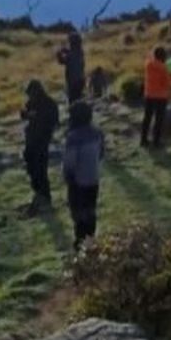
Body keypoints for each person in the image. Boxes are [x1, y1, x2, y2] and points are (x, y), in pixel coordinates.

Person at [62, 102, 104, 250]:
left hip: (77, 182)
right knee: (91, 211)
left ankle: (80, 244)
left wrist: (67, 177)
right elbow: (101, 154)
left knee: (78, 214)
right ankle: (90, 241)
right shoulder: (98, 133)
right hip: (93, 178)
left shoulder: (73, 137)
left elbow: (69, 163)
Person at [21, 80, 59, 215]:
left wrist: (37, 119)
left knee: (40, 169)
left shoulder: (49, 104)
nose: (29, 97)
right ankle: (38, 194)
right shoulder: (32, 102)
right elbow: (24, 114)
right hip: (31, 139)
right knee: (31, 167)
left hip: (42, 140)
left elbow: (54, 121)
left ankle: (44, 197)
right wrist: (27, 115)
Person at [142, 47, 171, 148]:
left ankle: (143, 140)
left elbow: (149, 57)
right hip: (161, 96)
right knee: (159, 120)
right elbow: (167, 84)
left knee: (147, 118)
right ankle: (156, 141)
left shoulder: (148, 64)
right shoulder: (164, 68)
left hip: (149, 94)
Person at [56, 31, 86, 104]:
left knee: (73, 102)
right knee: (78, 100)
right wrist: (64, 50)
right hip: (80, 80)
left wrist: (58, 54)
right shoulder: (80, 52)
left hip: (73, 81)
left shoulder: (71, 55)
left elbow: (62, 61)